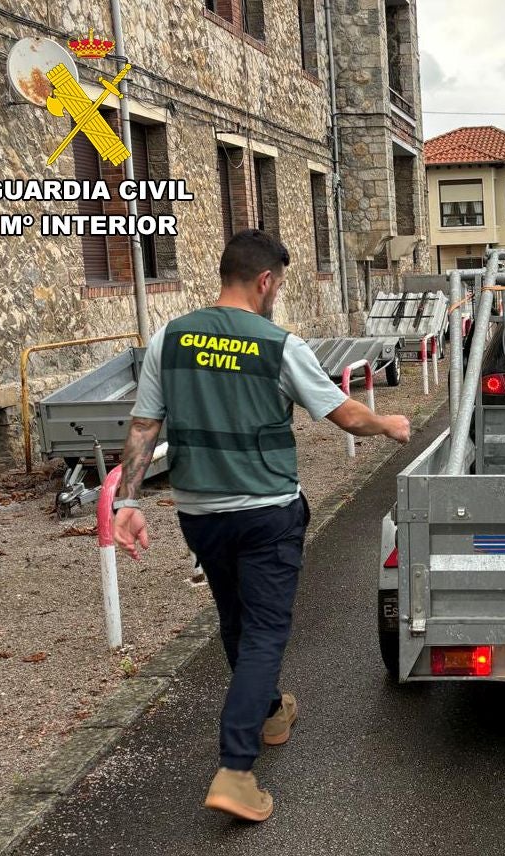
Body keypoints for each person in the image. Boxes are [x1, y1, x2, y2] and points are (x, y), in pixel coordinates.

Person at [112, 230, 410, 822]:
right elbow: (344, 414)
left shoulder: (168, 337)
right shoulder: (279, 344)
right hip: (268, 510)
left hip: (201, 513)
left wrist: (128, 500)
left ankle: (271, 710)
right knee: (266, 632)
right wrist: (389, 424)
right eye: (279, 284)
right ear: (266, 280)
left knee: (236, 619)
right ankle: (235, 769)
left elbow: (144, 427)